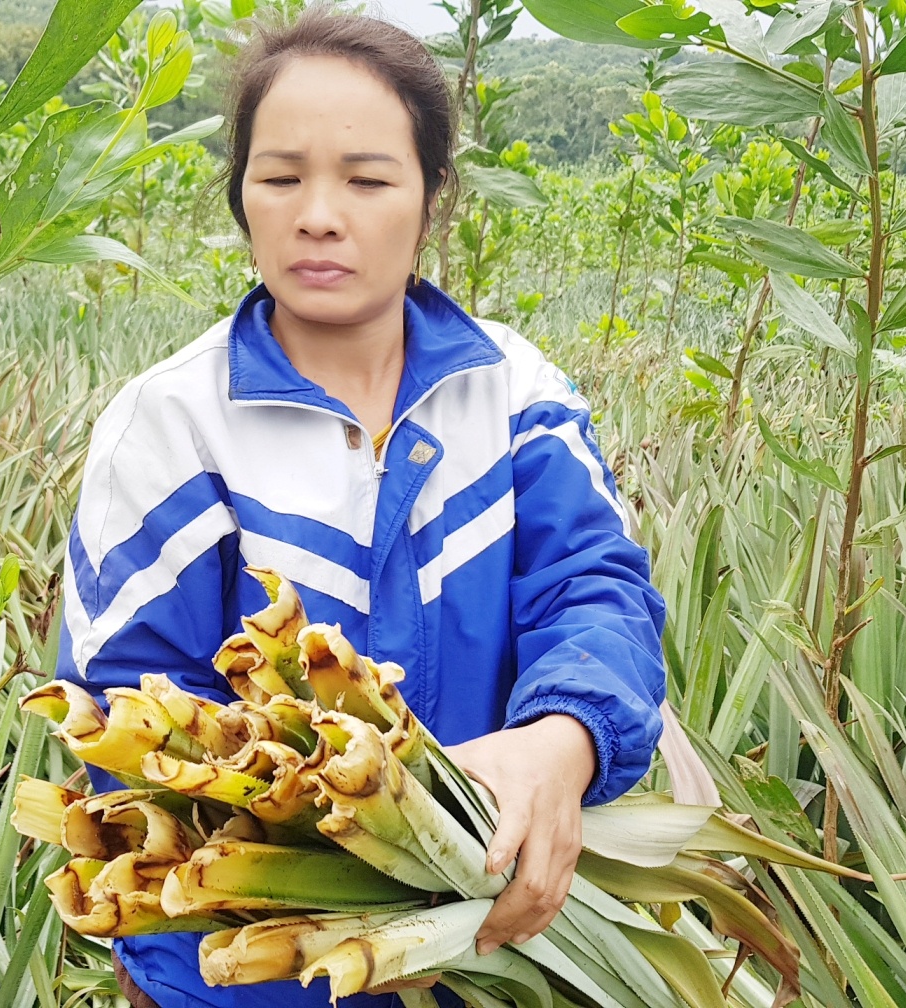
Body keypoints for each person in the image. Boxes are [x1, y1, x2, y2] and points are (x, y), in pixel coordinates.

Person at [54, 7, 667, 1007]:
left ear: (432, 197)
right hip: (246, 973)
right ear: (241, 195)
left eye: (369, 179)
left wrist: (564, 738)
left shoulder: (515, 393)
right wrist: (338, 824)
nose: (320, 215)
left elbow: (596, 594)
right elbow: (129, 708)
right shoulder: (171, 425)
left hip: (501, 942)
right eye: (282, 177)